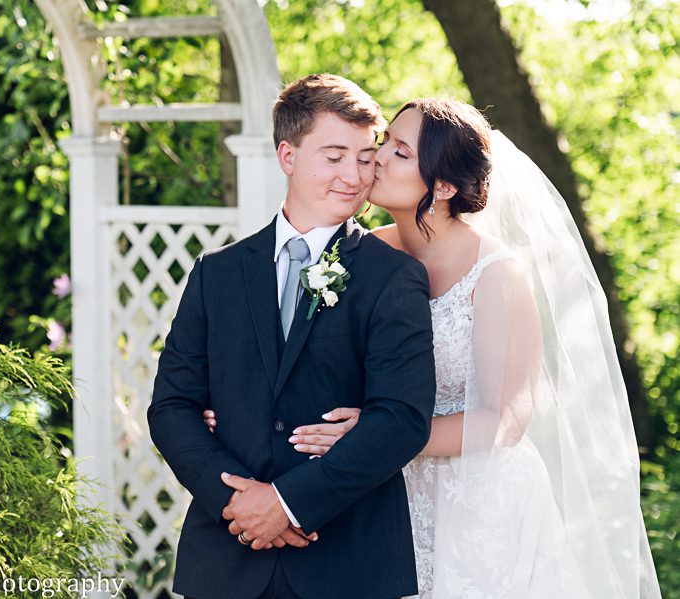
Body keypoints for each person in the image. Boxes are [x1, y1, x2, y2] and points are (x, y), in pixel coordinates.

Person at [207, 98, 662, 598]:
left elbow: (505, 420)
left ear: (442, 186)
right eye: (385, 143)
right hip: (380, 494)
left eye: (400, 152)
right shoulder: (358, 253)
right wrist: (232, 406)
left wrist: (380, 433)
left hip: (478, 498)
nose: (376, 158)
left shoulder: (496, 275)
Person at [148, 74, 437, 599]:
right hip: (226, 560)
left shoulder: (394, 276)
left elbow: (403, 419)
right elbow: (171, 407)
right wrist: (238, 503)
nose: (353, 174)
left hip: (346, 562)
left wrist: (286, 503)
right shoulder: (217, 273)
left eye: (366, 156)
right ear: (287, 155)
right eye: (333, 156)